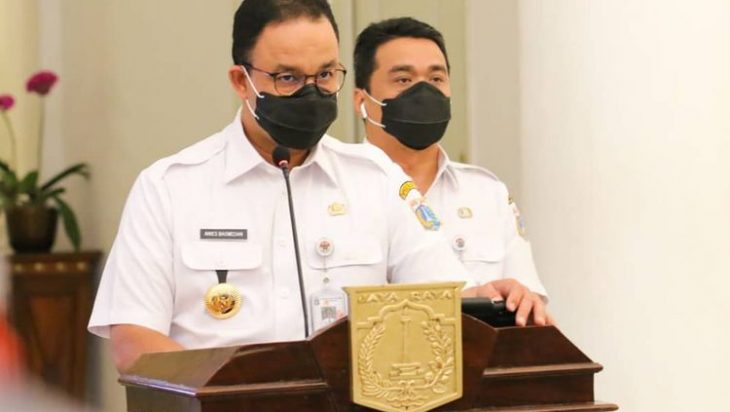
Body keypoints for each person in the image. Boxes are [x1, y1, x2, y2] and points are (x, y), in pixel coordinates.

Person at [89, 0, 547, 373]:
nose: (312, 92)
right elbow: (134, 340)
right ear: (241, 81)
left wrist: (496, 297)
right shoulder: (170, 187)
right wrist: (244, 396)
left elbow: (444, 296)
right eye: (288, 78)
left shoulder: (375, 177)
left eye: (326, 74)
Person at [353, 18, 550, 303]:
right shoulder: (339, 188)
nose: (423, 93)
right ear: (361, 100)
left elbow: (526, 304)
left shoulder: (487, 194)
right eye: (403, 80)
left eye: (436, 79)